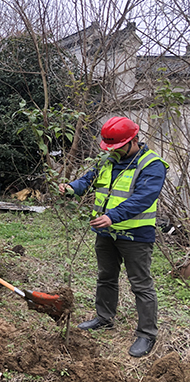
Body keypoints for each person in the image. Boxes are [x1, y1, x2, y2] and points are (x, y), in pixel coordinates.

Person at [59, 116, 168, 358]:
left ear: (134, 141)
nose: (113, 151)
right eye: (110, 147)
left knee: (141, 284)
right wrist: (72, 188)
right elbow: (88, 180)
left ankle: (147, 334)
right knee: (106, 276)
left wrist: (112, 216)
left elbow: (143, 198)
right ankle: (104, 318)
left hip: (135, 235)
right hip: (106, 232)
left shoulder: (152, 165)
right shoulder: (107, 160)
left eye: (117, 147)